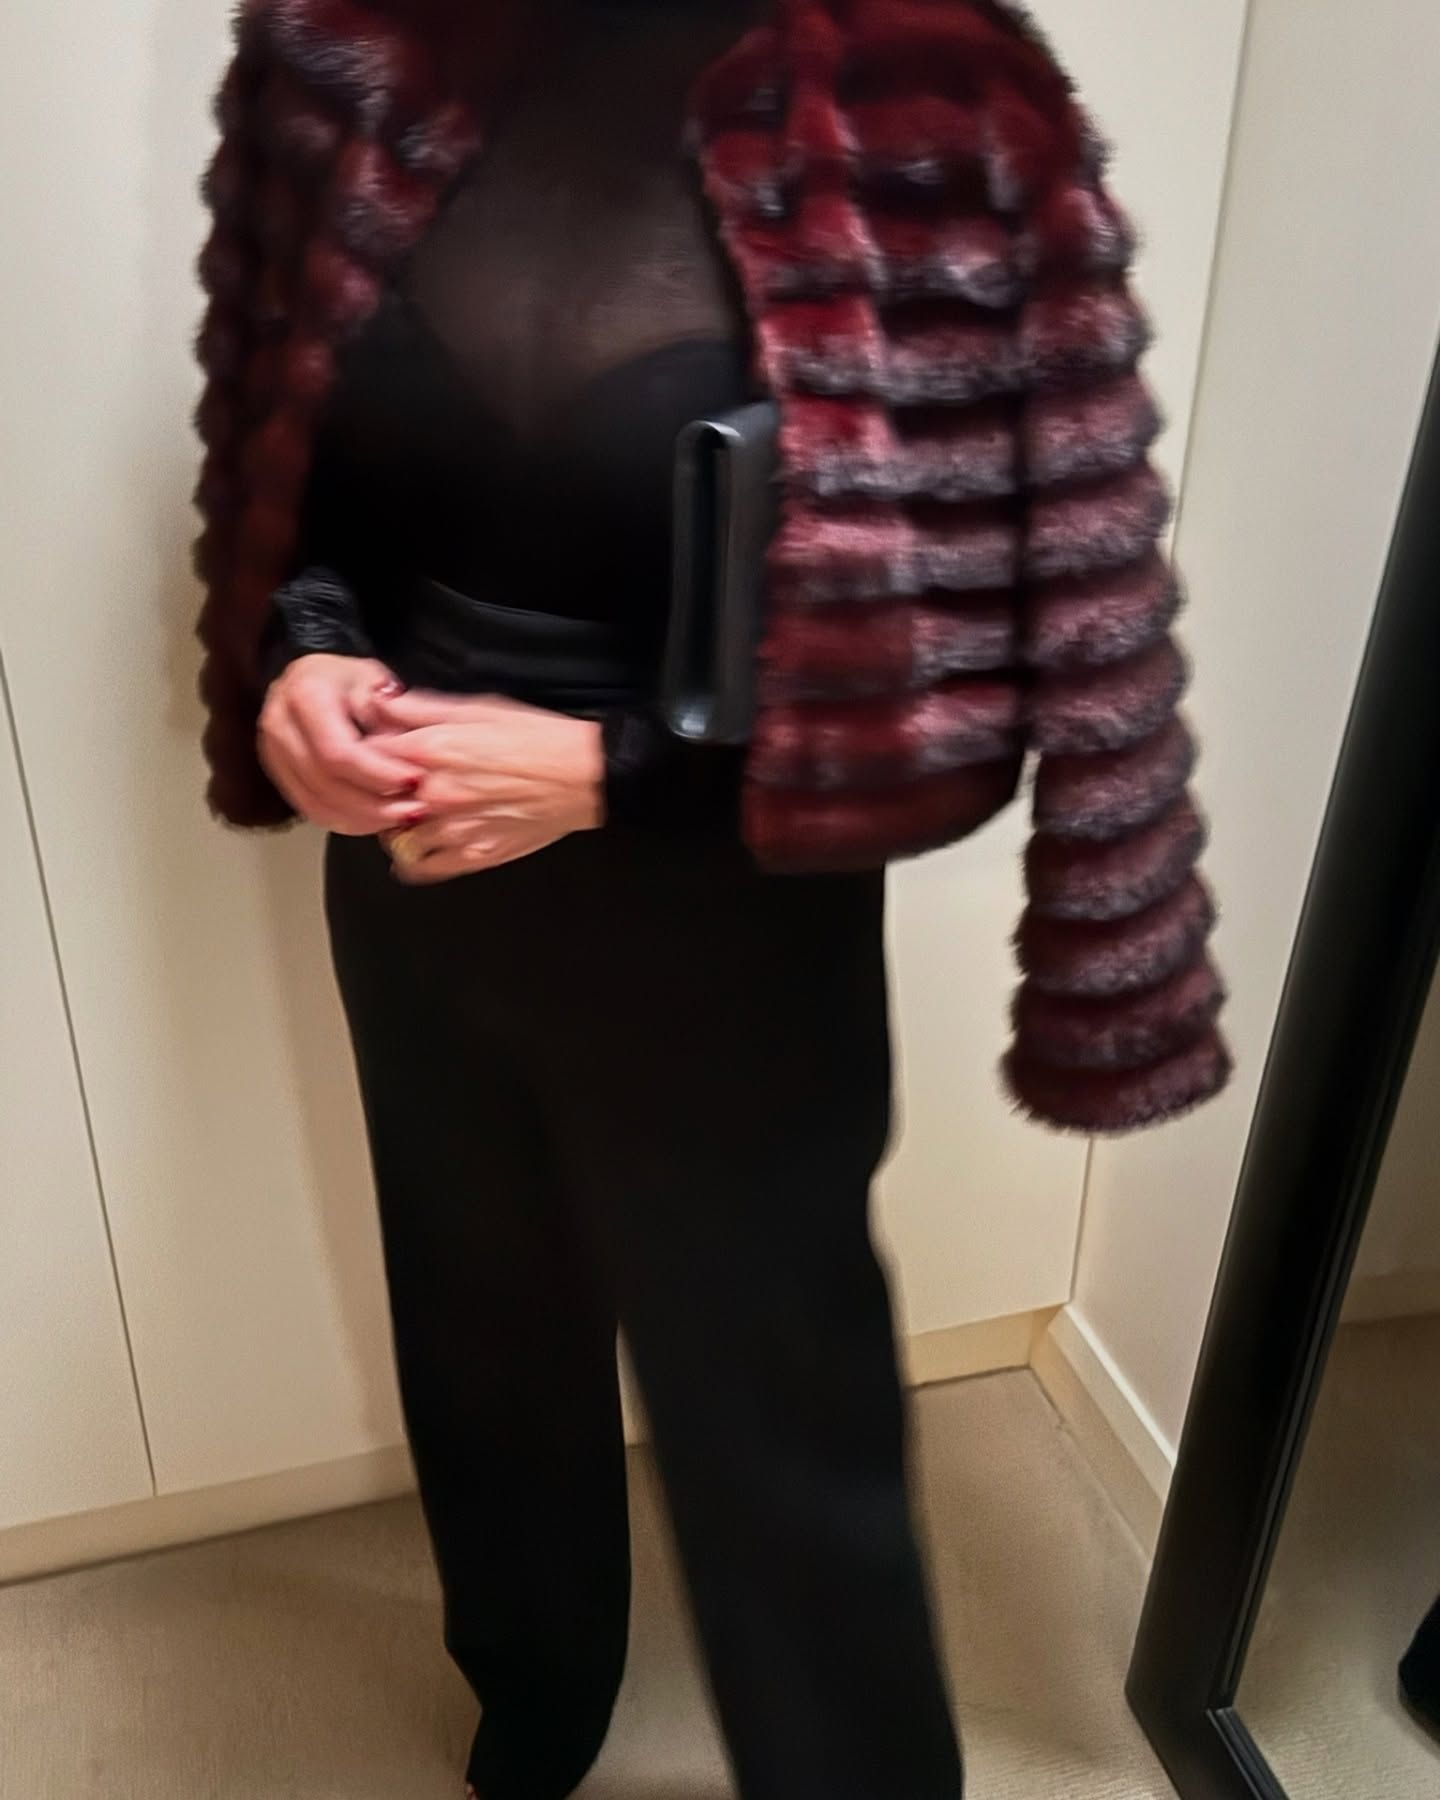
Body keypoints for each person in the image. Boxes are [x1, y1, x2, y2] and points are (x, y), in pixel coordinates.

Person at [191, 3, 1229, 1795]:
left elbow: (990, 649)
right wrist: (308, 653)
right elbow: (301, 479)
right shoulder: (347, 53)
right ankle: (533, 1703)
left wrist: (609, 773)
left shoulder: (937, 104)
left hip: (729, 908)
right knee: (480, 1339)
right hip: (421, 871)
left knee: (778, 1425)